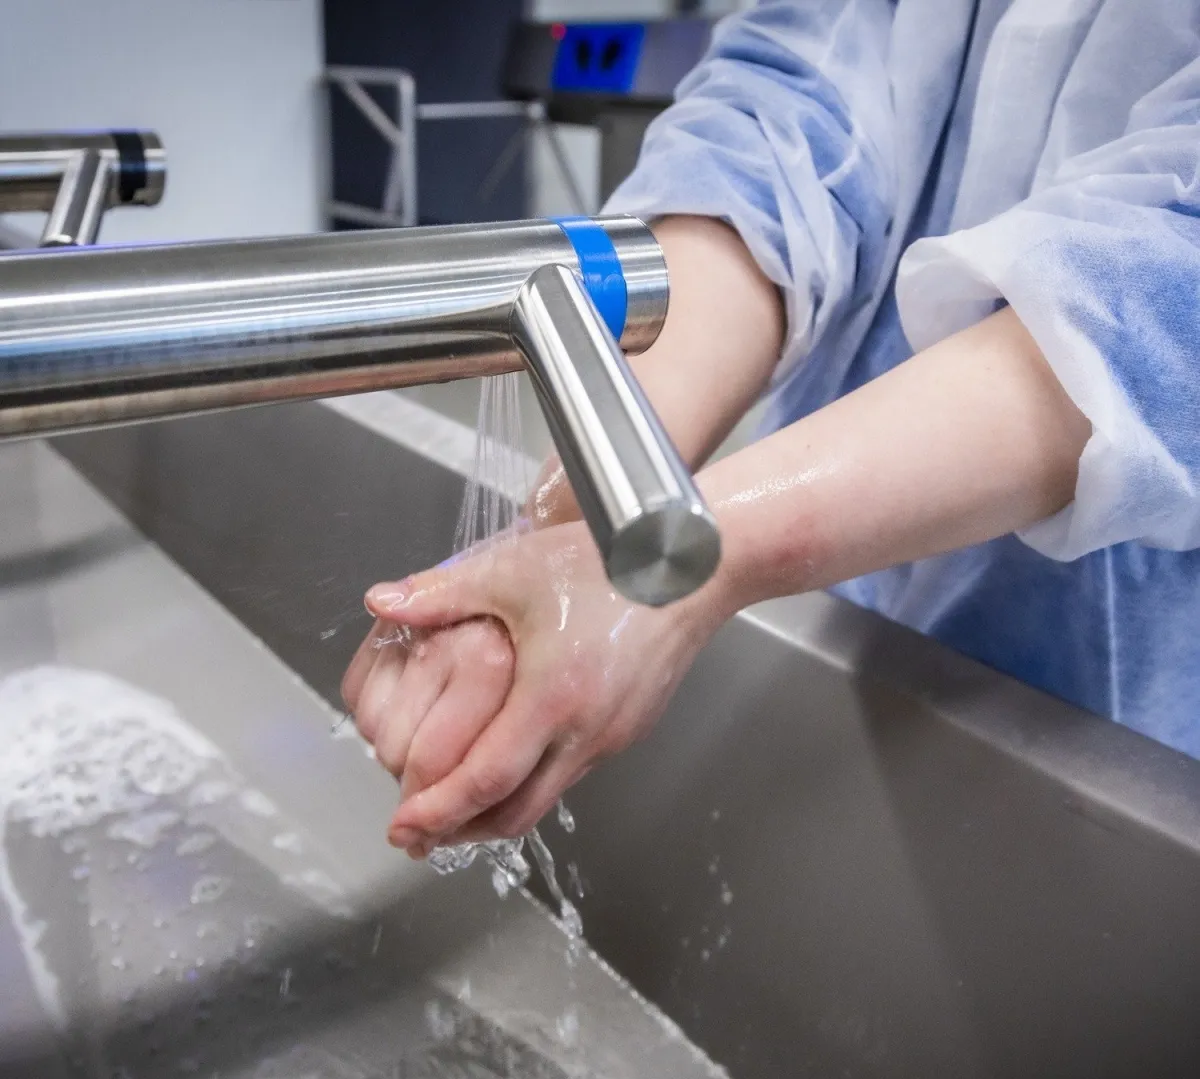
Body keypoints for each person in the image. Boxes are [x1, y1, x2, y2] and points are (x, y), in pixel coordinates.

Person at [342, 0, 1200, 859]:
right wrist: (573, 534)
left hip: (1130, 739)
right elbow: (785, 119)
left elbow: (1162, 306)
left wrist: (688, 565)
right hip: (836, 610)